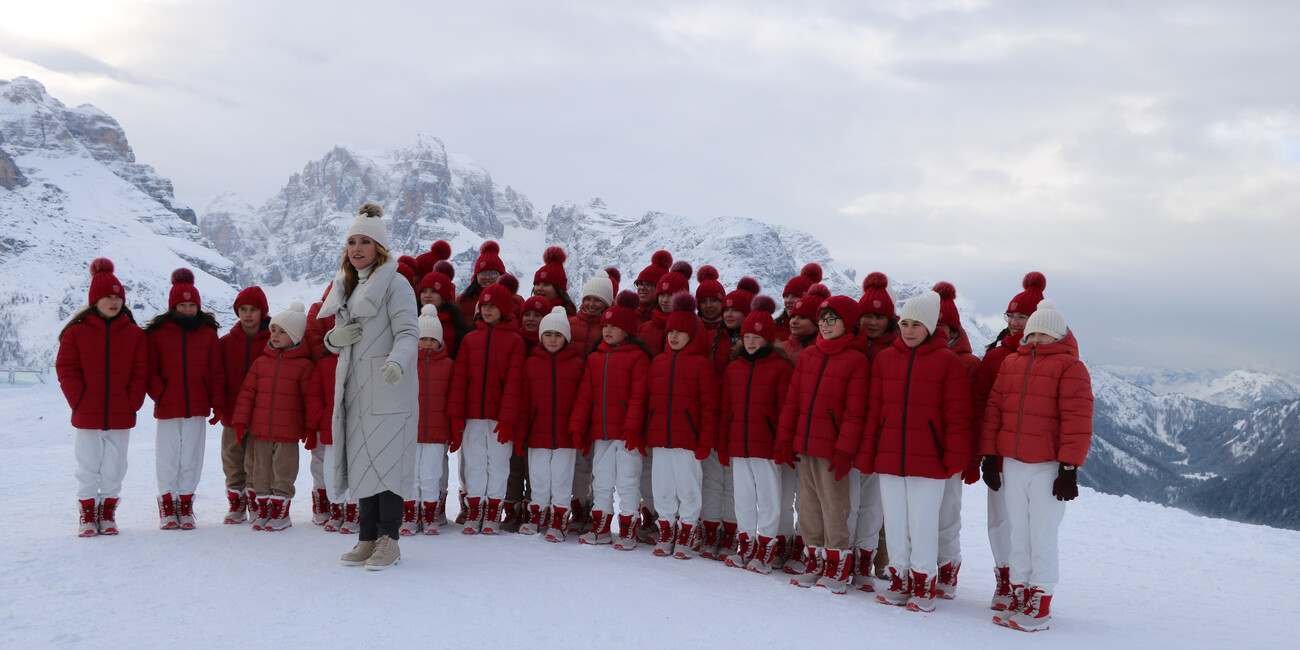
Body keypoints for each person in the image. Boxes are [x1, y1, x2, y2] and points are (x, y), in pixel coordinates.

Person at [980, 299, 1093, 633]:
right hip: (1013, 462)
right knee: (1018, 532)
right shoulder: (1011, 363)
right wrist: (989, 457)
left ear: (1057, 336)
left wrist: (1069, 468)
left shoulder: (1071, 367)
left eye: (1044, 334)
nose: (1036, 339)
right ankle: (1020, 592)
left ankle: (1040, 601)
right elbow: (994, 410)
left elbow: (1077, 420)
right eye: (1033, 334)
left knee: (1040, 534)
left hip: (1048, 466)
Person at [318, 202, 419, 570]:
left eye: (365, 241)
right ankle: (366, 538)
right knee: (363, 464)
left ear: (380, 247)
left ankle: (389, 541)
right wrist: (334, 338)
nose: (357, 248)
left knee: (387, 464)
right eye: (351, 242)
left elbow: (409, 332)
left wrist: (396, 361)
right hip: (355, 389)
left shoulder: (396, 283)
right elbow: (335, 339)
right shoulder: (345, 285)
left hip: (390, 389)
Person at [857, 291, 972, 613]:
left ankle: (923, 583)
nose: (908, 331)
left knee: (922, 524)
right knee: (895, 522)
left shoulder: (947, 362)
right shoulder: (885, 360)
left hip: (930, 460)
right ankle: (900, 578)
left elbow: (958, 416)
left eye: (916, 325)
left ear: (931, 327)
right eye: (904, 323)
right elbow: (874, 412)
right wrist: (868, 454)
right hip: (890, 457)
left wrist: (954, 458)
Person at [776, 294, 869, 594]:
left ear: (848, 323)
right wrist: (786, 438)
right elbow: (793, 402)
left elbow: (855, 412)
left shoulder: (856, 359)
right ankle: (814, 560)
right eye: (823, 319)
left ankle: (837, 566)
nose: (826, 325)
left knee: (834, 506)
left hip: (833, 448)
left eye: (833, 319)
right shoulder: (810, 355)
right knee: (808, 506)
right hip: (806, 442)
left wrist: (844, 449)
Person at [56, 258, 148, 537]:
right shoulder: (76, 332)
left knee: (115, 465)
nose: (114, 301)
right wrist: (79, 400)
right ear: (95, 299)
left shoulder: (134, 333)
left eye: (118, 296)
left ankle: (107, 513)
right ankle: (87, 515)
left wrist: (132, 400)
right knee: (88, 464)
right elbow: (66, 369)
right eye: (108, 296)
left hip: (121, 410)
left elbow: (140, 371)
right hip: (87, 411)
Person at [974, 271, 1046, 611]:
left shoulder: (1048, 356)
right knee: (1000, 520)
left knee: (1029, 522)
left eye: (1024, 317)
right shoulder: (995, 356)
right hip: (1001, 455)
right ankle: (1005, 580)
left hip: (1035, 458)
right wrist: (984, 453)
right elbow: (982, 406)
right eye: (1012, 316)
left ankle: (1027, 582)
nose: (1016, 323)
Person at [718, 296, 794, 573]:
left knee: (769, 498)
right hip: (739, 444)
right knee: (744, 497)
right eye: (747, 336)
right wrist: (723, 443)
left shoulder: (780, 367)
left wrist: (782, 441)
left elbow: (786, 409)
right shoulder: (734, 367)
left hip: (766, 446)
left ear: (769, 339)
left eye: (757, 337)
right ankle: (746, 543)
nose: (750, 342)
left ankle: (766, 547)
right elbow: (726, 408)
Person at [145, 268, 225, 530]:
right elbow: (150, 369)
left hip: (198, 404)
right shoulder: (157, 333)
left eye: (192, 304)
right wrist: (160, 393)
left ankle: (186, 504)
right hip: (168, 405)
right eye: (182, 304)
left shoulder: (207, 332)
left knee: (192, 457)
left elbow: (215, 370)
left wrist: (217, 401)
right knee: (167, 458)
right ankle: (168, 506)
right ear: (173, 306)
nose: (188, 309)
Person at [569, 290, 651, 546]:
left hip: (627, 435)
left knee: (627, 482)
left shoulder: (637, 357)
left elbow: (639, 396)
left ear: (627, 331)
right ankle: (601, 528)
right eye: (605, 326)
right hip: (601, 432)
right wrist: (578, 426)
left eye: (614, 327)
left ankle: (628, 530)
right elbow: (584, 396)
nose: (607, 331)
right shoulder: (595, 358)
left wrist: (632, 427)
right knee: (601, 480)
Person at [448, 276, 526, 535]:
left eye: (493, 306)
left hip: (498, 418)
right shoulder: (470, 340)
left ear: (504, 309)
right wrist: (456, 415)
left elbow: (515, 384)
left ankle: (492, 513)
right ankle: (475, 510)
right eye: (484, 306)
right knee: (474, 463)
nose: (487, 310)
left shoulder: (515, 342)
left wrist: (507, 419)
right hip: (472, 416)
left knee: (499, 464)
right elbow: (459, 380)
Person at [645, 293, 719, 558]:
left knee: (688, 489)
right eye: (670, 331)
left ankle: (688, 531)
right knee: (662, 488)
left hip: (688, 440)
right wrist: (646, 432)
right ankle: (666, 530)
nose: (673, 337)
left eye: (680, 332)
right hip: (659, 438)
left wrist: (705, 441)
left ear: (693, 335)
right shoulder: (658, 362)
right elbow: (647, 400)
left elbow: (710, 408)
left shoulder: (701, 365)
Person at [231, 302, 315, 531]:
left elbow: (310, 399)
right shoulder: (261, 362)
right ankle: (264, 508)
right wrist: (241, 421)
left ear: (296, 336)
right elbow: (247, 394)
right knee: (260, 471)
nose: (275, 335)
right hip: (260, 431)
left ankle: (281, 511)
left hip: (288, 433)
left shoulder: (304, 366)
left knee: (283, 472)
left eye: (282, 331)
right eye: (274, 330)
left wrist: (310, 428)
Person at [517, 307, 585, 541]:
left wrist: (577, 426)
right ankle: (538, 514)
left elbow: (582, 398)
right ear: (541, 336)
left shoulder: (576, 364)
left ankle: (558, 517)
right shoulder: (531, 363)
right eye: (548, 334)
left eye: (558, 335)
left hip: (565, 435)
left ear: (566, 337)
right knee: (538, 476)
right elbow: (524, 399)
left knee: (562, 477)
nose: (553, 340)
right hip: (538, 432)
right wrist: (522, 431)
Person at [216, 286, 270, 525]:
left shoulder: (273, 340)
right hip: (232, 410)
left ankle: (255, 500)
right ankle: (236, 503)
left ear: (263, 312)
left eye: (254, 309)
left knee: (256, 459)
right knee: (232, 457)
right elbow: (218, 375)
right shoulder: (226, 342)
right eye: (243, 309)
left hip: (260, 412)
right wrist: (219, 404)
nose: (248, 314)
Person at [403, 305, 455, 536]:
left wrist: (453, 428)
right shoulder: (405, 364)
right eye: (422, 338)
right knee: (411, 475)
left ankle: (431, 517)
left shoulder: (448, 365)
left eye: (432, 339)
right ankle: (410, 516)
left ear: (440, 341)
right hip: (410, 431)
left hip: (436, 432)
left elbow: (453, 399)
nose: (427, 343)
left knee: (432, 474)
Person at [775, 263, 823, 343]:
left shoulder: (825, 333)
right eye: (786, 296)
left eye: (795, 296)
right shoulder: (773, 329)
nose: (788, 300)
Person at [633, 250, 673, 323]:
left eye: (649, 284)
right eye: (640, 283)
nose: (642, 287)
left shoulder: (671, 321)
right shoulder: (628, 315)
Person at [695, 265, 726, 331]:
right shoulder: (692, 328)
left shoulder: (734, 329)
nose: (708, 305)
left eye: (713, 300)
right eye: (703, 301)